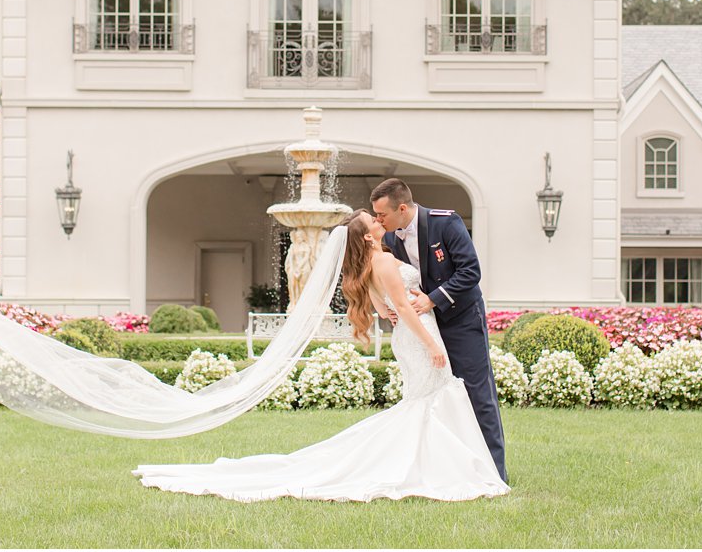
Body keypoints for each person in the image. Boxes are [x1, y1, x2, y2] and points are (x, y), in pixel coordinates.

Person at [133, 210, 509, 502]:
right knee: (428, 401)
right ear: (367, 235)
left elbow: (382, 308)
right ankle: (447, 467)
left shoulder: (369, 265)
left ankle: (447, 463)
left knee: (425, 401)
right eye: (372, 220)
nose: (378, 221)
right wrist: (428, 342)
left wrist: (393, 313)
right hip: (420, 337)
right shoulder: (380, 261)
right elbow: (403, 309)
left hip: (412, 337)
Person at [368, 177, 507, 483]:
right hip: (424, 329)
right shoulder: (389, 240)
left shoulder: (446, 223)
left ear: (402, 208)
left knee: (476, 392)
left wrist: (433, 299)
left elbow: (470, 271)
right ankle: (448, 470)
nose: (378, 220)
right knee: (439, 397)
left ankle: (496, 472)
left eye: (382, 215)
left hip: (461, 320)